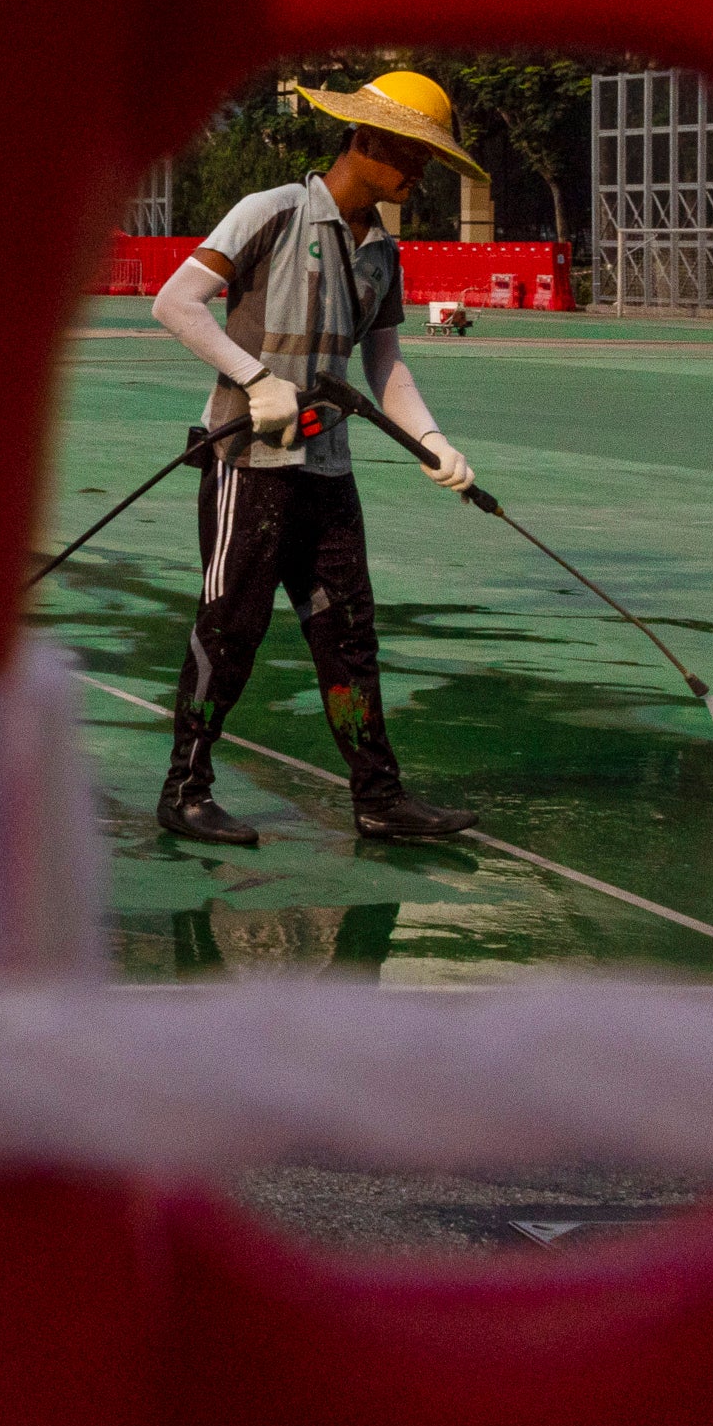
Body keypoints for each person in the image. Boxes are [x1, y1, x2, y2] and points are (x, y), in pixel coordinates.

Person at [146, 68, 486, 847]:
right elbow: (174, 303)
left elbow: (386, 365)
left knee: (349, 636)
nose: (421, 172)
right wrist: (255, 379)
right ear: (366, 140)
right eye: (414, 154)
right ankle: (184, 792)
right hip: (250, 464)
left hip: (327, 470)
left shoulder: (381, 255)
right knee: (230, 627)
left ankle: (379, 798)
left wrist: (432, 441)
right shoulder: (272, 213)